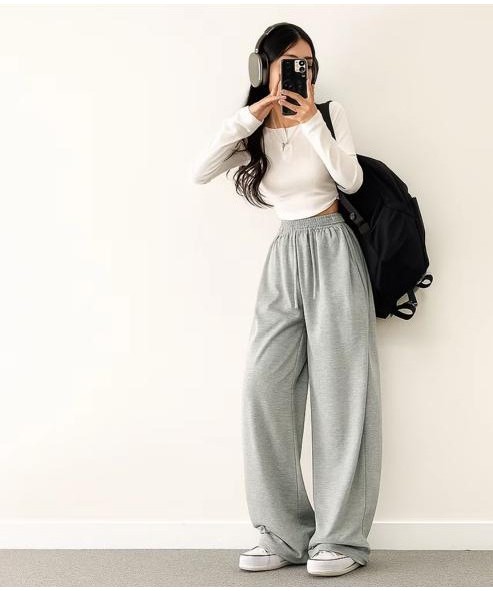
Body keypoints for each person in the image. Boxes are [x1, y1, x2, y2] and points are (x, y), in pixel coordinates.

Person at [194, 22, 382, 577]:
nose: (301, 72)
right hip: (284, 256)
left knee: (341, 396)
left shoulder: (330, 114)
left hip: (333, 248)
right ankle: (281, 534)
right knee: (264, 389)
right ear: (264, 68)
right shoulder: (252, 132)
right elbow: (200, 170)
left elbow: (350, 180)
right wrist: (249, 117)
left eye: (308, 63)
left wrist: (311, 121)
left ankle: (340, 539)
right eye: (290, 63)